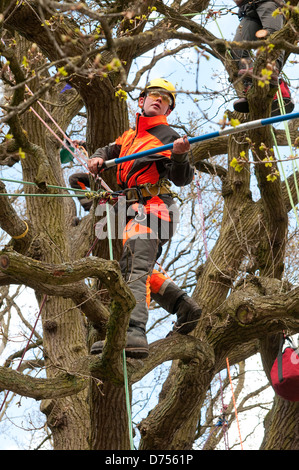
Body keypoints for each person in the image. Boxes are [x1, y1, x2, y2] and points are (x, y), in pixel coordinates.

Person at [88, 78, 202, 359]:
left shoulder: (166, 135)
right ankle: (182, 305)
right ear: (141, 101)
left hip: (157, 208)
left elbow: (182, 178)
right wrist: (97, 158)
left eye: (165, 99)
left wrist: (179, 157)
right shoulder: (129, 138)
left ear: (168, 109)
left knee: (133, 267)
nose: (159, 100)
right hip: (135, 211)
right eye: (154, 95)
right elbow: (108, 150)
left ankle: (133, 331)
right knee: (136, 267)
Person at [231, 0, 294, 115]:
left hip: (269, 2)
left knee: (273, 36)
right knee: (237, 47)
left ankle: (272, 73)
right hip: (249, 11)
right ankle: (251, 86)